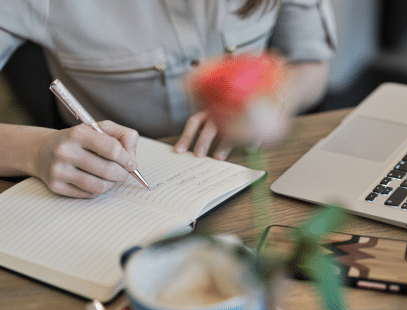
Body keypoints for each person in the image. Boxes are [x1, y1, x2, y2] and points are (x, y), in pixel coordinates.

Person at [0, 0, 337, 198]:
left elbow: (311, 64)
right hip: (110, 190)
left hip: (251, 172)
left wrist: (272, 101)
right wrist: (36, 150)